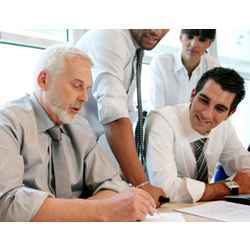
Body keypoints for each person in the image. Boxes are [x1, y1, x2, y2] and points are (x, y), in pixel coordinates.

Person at [0, 45, 156, 221]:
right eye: (77, 85)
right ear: (43, 80)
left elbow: (112, 184)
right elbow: (7, 204)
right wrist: (100, 210)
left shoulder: (80, 127)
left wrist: (81, 214)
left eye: (87, 89)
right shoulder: (7, 123)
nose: (84, 98)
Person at [76, 29, 169, 207]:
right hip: (71, 155)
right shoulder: (111, 36)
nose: (155, 30)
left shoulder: (132, 47)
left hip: (91, 154)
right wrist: (142, 184)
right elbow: (114, 115)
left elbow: (124, 113)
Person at [145, 67, 250, 202]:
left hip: (202, 211)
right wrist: (227, 187)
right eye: (204, 100)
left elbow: (242, 162)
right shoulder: (162, 121)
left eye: (220, 109)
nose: (206, 114)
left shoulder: (224, 126)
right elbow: (164, 189)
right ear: (193, 94)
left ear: (230, 113)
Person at [150, 29, 219, 109]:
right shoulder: (161, 63)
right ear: (181, 37)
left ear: (209, 44)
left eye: (201, 40)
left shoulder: (213, 68)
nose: (193, 44)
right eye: (190, 37)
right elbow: (157, 109)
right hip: (163, 120)